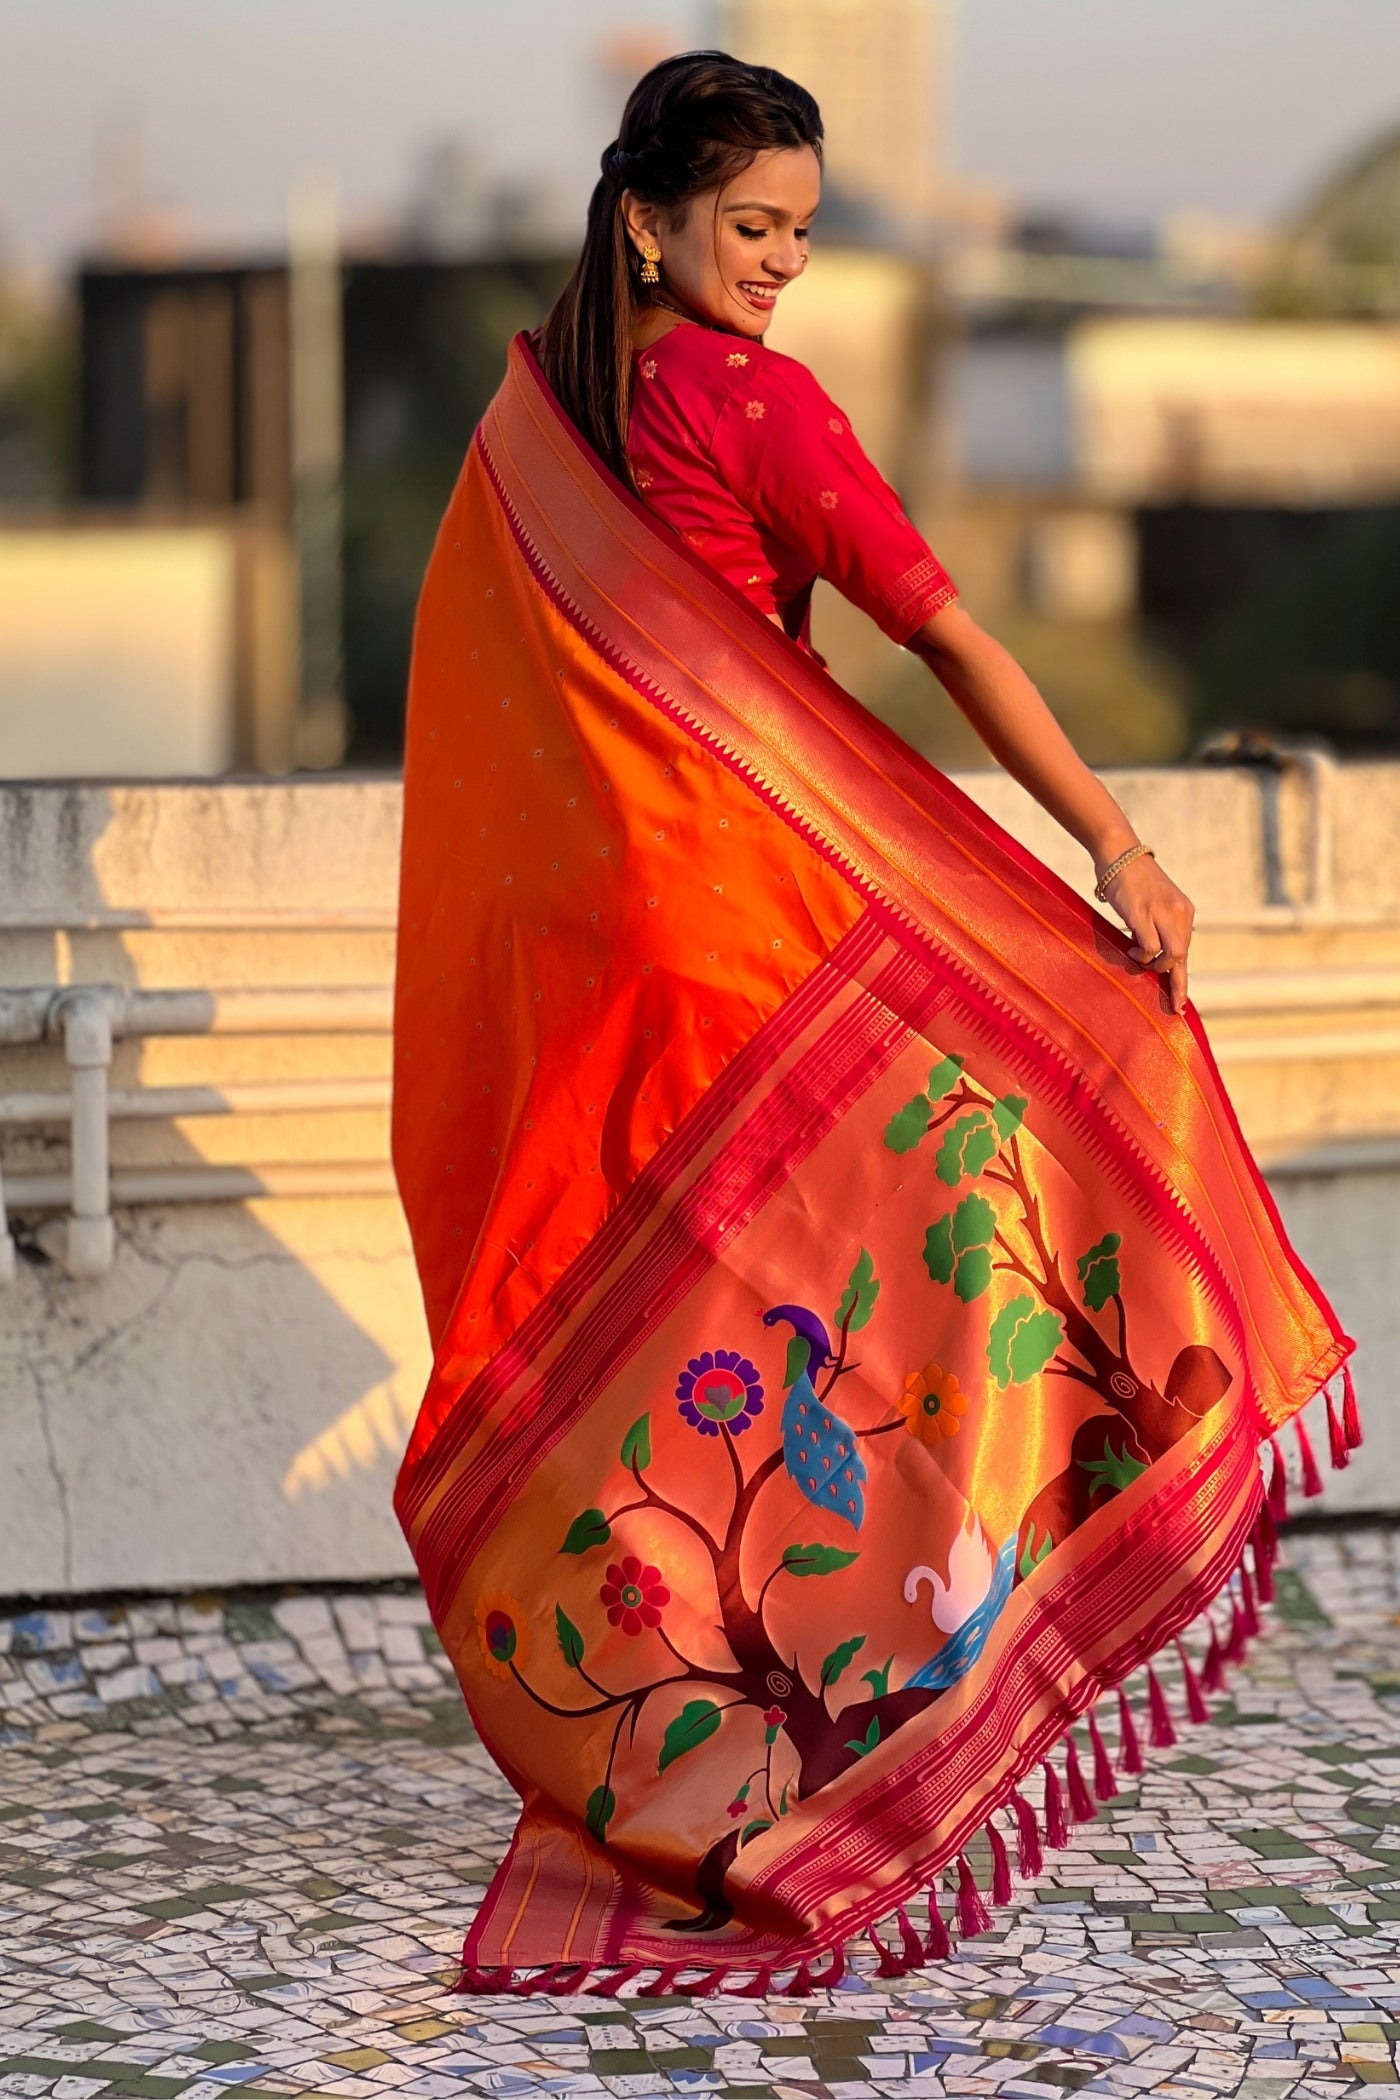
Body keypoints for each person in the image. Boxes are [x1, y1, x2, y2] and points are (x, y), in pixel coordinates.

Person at [392, 52, 1355, 1997]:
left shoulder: (544, 425)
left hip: (604, 947)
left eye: (803, 238)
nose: (780, 268)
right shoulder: (750, 403)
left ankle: (697, 1730)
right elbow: (948, 634)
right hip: (750, 927)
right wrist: (1109, 844)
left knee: (688, 1328)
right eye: (750, 229)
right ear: (647, 221)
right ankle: (907, 1668)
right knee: (992, 1163)